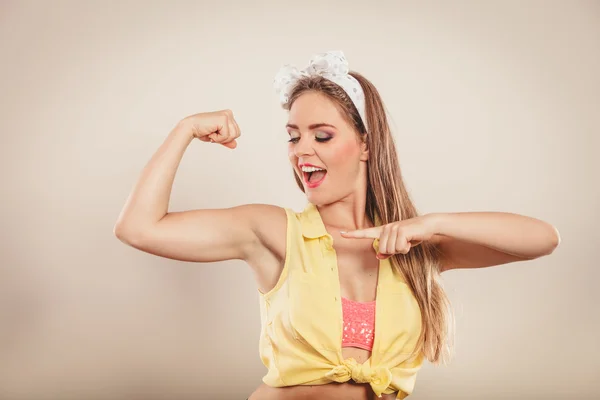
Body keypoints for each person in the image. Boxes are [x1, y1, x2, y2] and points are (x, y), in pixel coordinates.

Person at [113, 51, 560, 400]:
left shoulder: (415, 247)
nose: (300, 150)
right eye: (293, 136)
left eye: (321, 135)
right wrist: (186, 128)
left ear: (365, 144)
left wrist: (430, 224)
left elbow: (542, 239)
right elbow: (138, 228)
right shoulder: (272, 231)